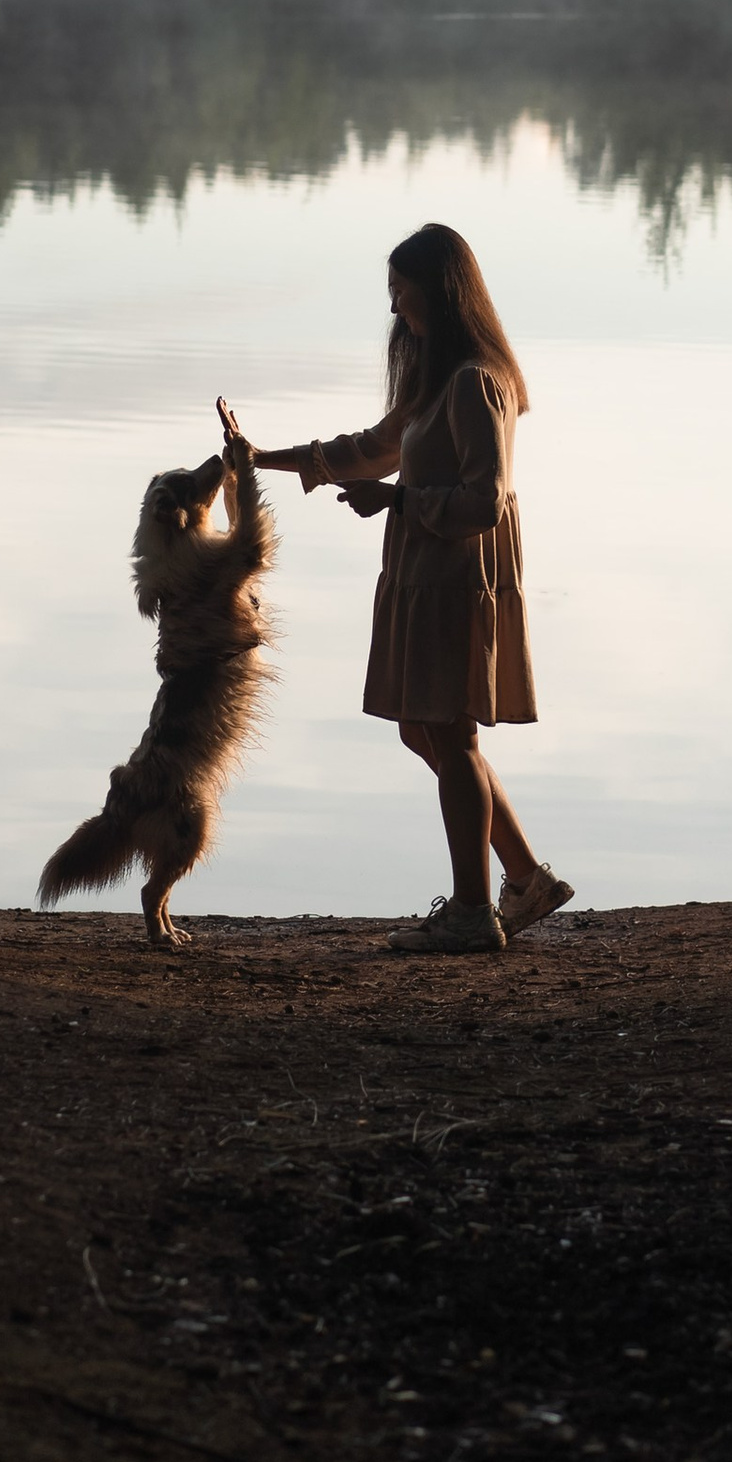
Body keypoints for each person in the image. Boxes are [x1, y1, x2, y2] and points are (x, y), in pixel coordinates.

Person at [224, 222, 575, 957]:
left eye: (401, 291)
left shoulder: (476, 382)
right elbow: (369, 449)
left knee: (451, 733)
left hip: (455, 580)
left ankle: (474, 911)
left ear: (439, 292)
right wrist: (260, 457)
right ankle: (524, 880)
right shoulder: (436, 383)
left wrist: (398, 500)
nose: (393, 308)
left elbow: (486, 498)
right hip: (425, 575)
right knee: (425, 729)